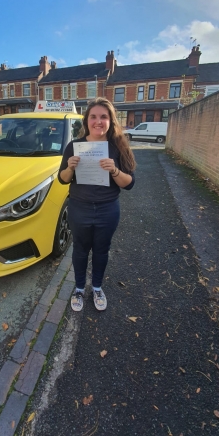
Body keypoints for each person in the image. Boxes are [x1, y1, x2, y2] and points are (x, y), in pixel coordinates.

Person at [58, 97, 136, 312]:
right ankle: (80, 288)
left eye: (104, 116)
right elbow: (62, 179)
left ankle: (98, 288)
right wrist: (70, 168)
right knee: (80, 250)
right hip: (79, 209)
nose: (98, 121)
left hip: (107, 210)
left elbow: (129, 184)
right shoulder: (74, 146)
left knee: (101, 251)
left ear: (111, 120)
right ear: (87, 120)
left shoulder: (118, 147)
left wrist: (114, 171)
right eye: (93, 116)